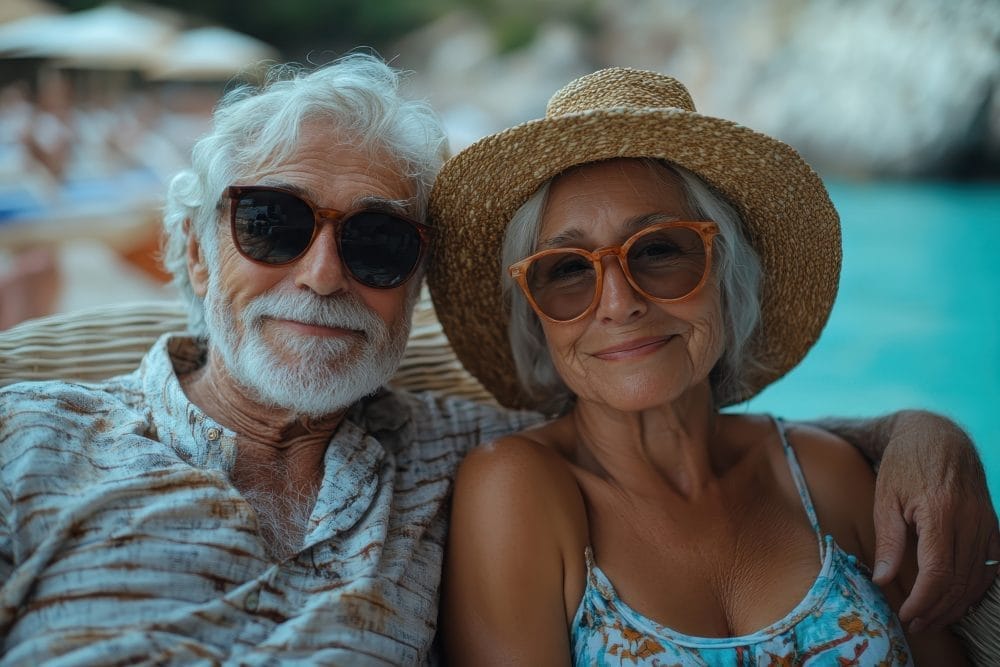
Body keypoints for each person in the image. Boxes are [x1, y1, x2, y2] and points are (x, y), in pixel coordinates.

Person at [0, 55, 993, 664]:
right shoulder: (28, 441)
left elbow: (656, 405)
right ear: (189, 249)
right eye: (272, 221)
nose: (324, 273)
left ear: (415, 283)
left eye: (379, 243)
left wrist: (921, 434)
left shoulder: (447, 453)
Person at [431, 67, 993, 664]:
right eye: (568, 270)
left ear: (728, 278)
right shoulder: (520, 488)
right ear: (535, 319)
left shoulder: (824, 474)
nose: (619, 303)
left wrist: (924, 428)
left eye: (659, 250)